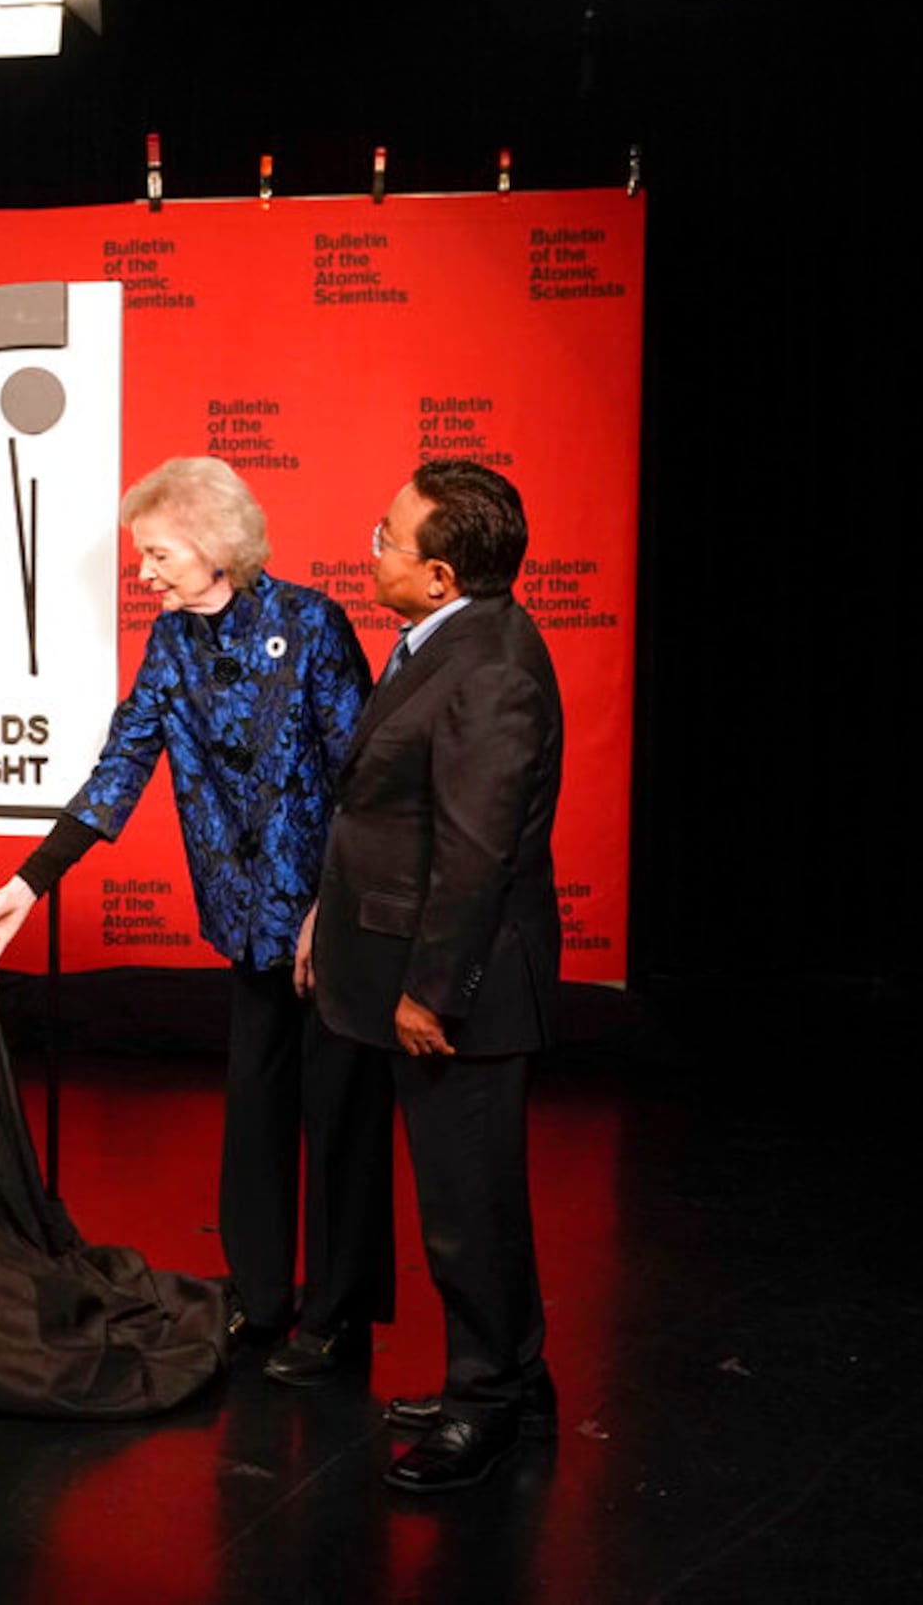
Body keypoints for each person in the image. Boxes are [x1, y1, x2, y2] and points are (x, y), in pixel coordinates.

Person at [0, 455, 393, 1386]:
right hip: (247, 923)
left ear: (213, 545)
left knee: (340, 1116)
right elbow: (125, 758)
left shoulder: (311, 625)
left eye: (157, 553)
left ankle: (335, 1314)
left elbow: (363, 784)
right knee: (255, 1108)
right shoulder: (170, 644)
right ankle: (262, 1294)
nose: (145, 571)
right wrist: (33, 880)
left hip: (333, 920)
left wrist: (331, 906)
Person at [298, 457, 565, 1493]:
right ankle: (513, 1380)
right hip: (412, 967)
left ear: (442, 575)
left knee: (468, 1208)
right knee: (472, 1199)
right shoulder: (449, 642)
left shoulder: (489, 671)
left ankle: (486, 1404)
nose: (371, 545)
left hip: (460, 990)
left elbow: (474, 853)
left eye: (386, 534)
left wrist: (428, 993)